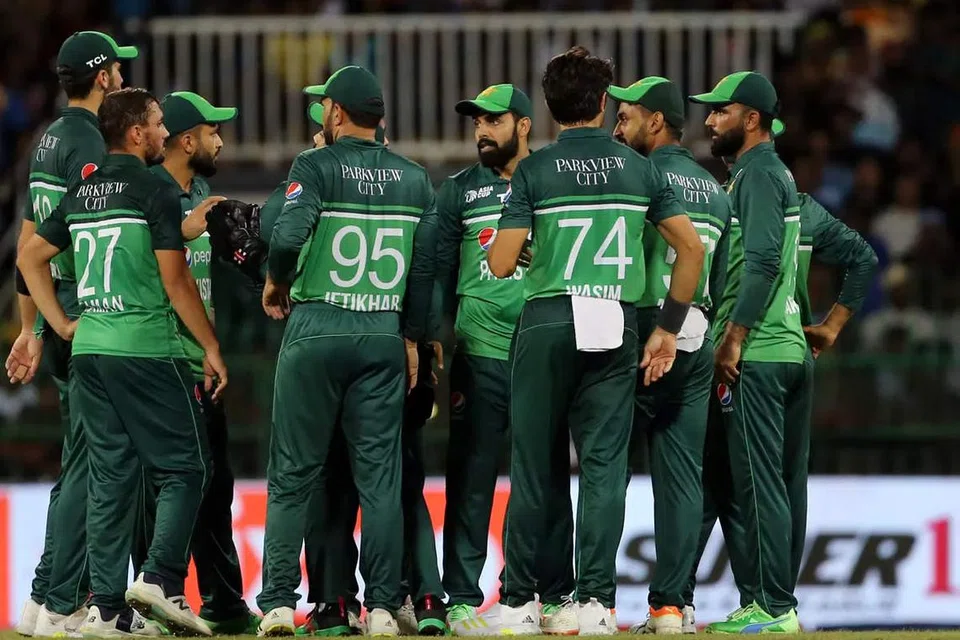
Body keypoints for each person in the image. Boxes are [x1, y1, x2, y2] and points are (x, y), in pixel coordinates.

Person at [486, 46, 704, 635]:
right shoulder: (641, 170)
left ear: (549, 107)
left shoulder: (534, 170)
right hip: (615, 318)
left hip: (548, 318)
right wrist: (666, 328)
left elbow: (501, 264)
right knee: (604, 468)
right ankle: (597, 604)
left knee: (534, 466)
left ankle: (521, 603)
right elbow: (691, 251)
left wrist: (521, 246)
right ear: (604, 102)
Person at [16, 87, 226, 637]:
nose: (164, 132)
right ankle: (160, 578)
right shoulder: (154, 187)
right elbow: (175, 281)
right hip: (144, 347)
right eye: (157, 123)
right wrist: (209, 345)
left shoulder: (83, 189)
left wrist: (60, 324)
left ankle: (106, 609)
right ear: (136, 132)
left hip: (89, 350)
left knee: (109, 479)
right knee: (187, 467)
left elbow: (29, 257)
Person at [256, 66, 436, 637]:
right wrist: (411, 337)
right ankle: (382, 607)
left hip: (318, 325)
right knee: (380, 481)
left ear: (334, 112)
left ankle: (278, 602)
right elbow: (424, 272)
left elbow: (286, 235)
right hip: (382, 331)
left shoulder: (315, 165)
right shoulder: (415, 179)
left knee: (293, 475)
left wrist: (276, 280)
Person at [684, 185, 878, 629]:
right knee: (786, 483)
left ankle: (726, 602)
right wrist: (832, 326)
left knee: (724, 481)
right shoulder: (804, 209)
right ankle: (778, 604)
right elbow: (863, 259)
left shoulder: (727, 202)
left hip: (743, 355)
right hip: (795, 355)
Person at [6, 30, 137, 637]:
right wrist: (57, 322)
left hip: (56, 306)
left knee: (79, 457)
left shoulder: (47, 138)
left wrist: (30, 326)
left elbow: (27, 242)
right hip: (86, 309)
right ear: (103, 76)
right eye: (118, 69)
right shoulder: (88, 140)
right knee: (95, 464)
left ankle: (42, 596)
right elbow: (87, 231)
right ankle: (64, 600)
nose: (123, 77)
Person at [436, 83, 576, 636]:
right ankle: (461, 598)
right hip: (480, 353)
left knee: (547, 478)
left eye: (493, 121)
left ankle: (553, 594)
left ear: (523, 125)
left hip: (543, 352)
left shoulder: (553, 179)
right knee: (472, 477)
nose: (481, 131)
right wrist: (428, 335)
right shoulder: (458, 191)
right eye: (477, 122)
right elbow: (436, 269)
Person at [130, 90, 261, 635]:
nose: (220, 141)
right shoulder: (146, 191)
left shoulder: (201, 194)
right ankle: (151, 596)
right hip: (161, 359)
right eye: (212, 132)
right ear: (187, 141)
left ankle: (222, 602)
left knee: (215, 486)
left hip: (199, 360)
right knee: (165, 487)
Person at [607, 76, 731, 635]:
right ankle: (671, 608)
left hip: (641, 331)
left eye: (627, 117)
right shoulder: (716, 190)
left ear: (655, 121)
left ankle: (591, 598)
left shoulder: (637, 175)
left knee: (605, 466)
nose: (618, 127)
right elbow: (718, 276)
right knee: (683, 478)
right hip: (696, 332)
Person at [687, 70, 806, 633]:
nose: (710, 120)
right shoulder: (766, 173)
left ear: (752, 119)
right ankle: (762, 600)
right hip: (782, 344)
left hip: (758, 350)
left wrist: (733, 337)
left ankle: (775, 607)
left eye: (721, 111)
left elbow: (760, 263)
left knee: (758, 482)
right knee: (761, 481)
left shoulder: (757, 174)